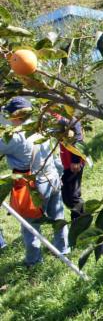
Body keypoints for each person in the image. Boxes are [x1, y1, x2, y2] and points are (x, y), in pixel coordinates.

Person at [0, 97, 69, 266]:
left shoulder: (14, 137)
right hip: (52, 177)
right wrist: (59, 176)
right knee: (58, 217)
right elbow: (55, 157)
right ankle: (63, 249)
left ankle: (34, 260)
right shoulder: (41, 129)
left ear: (15, 116)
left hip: (32, 185)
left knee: (30, 225)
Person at [53, 114, 86, 220]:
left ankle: (80, 221)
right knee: (66, 197)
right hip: (62, 163)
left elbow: (78, 138)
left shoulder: (67, 118)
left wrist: (75, 160)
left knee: (73, 197)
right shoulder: (50, 118)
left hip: (72, 163)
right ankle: (77, 219)